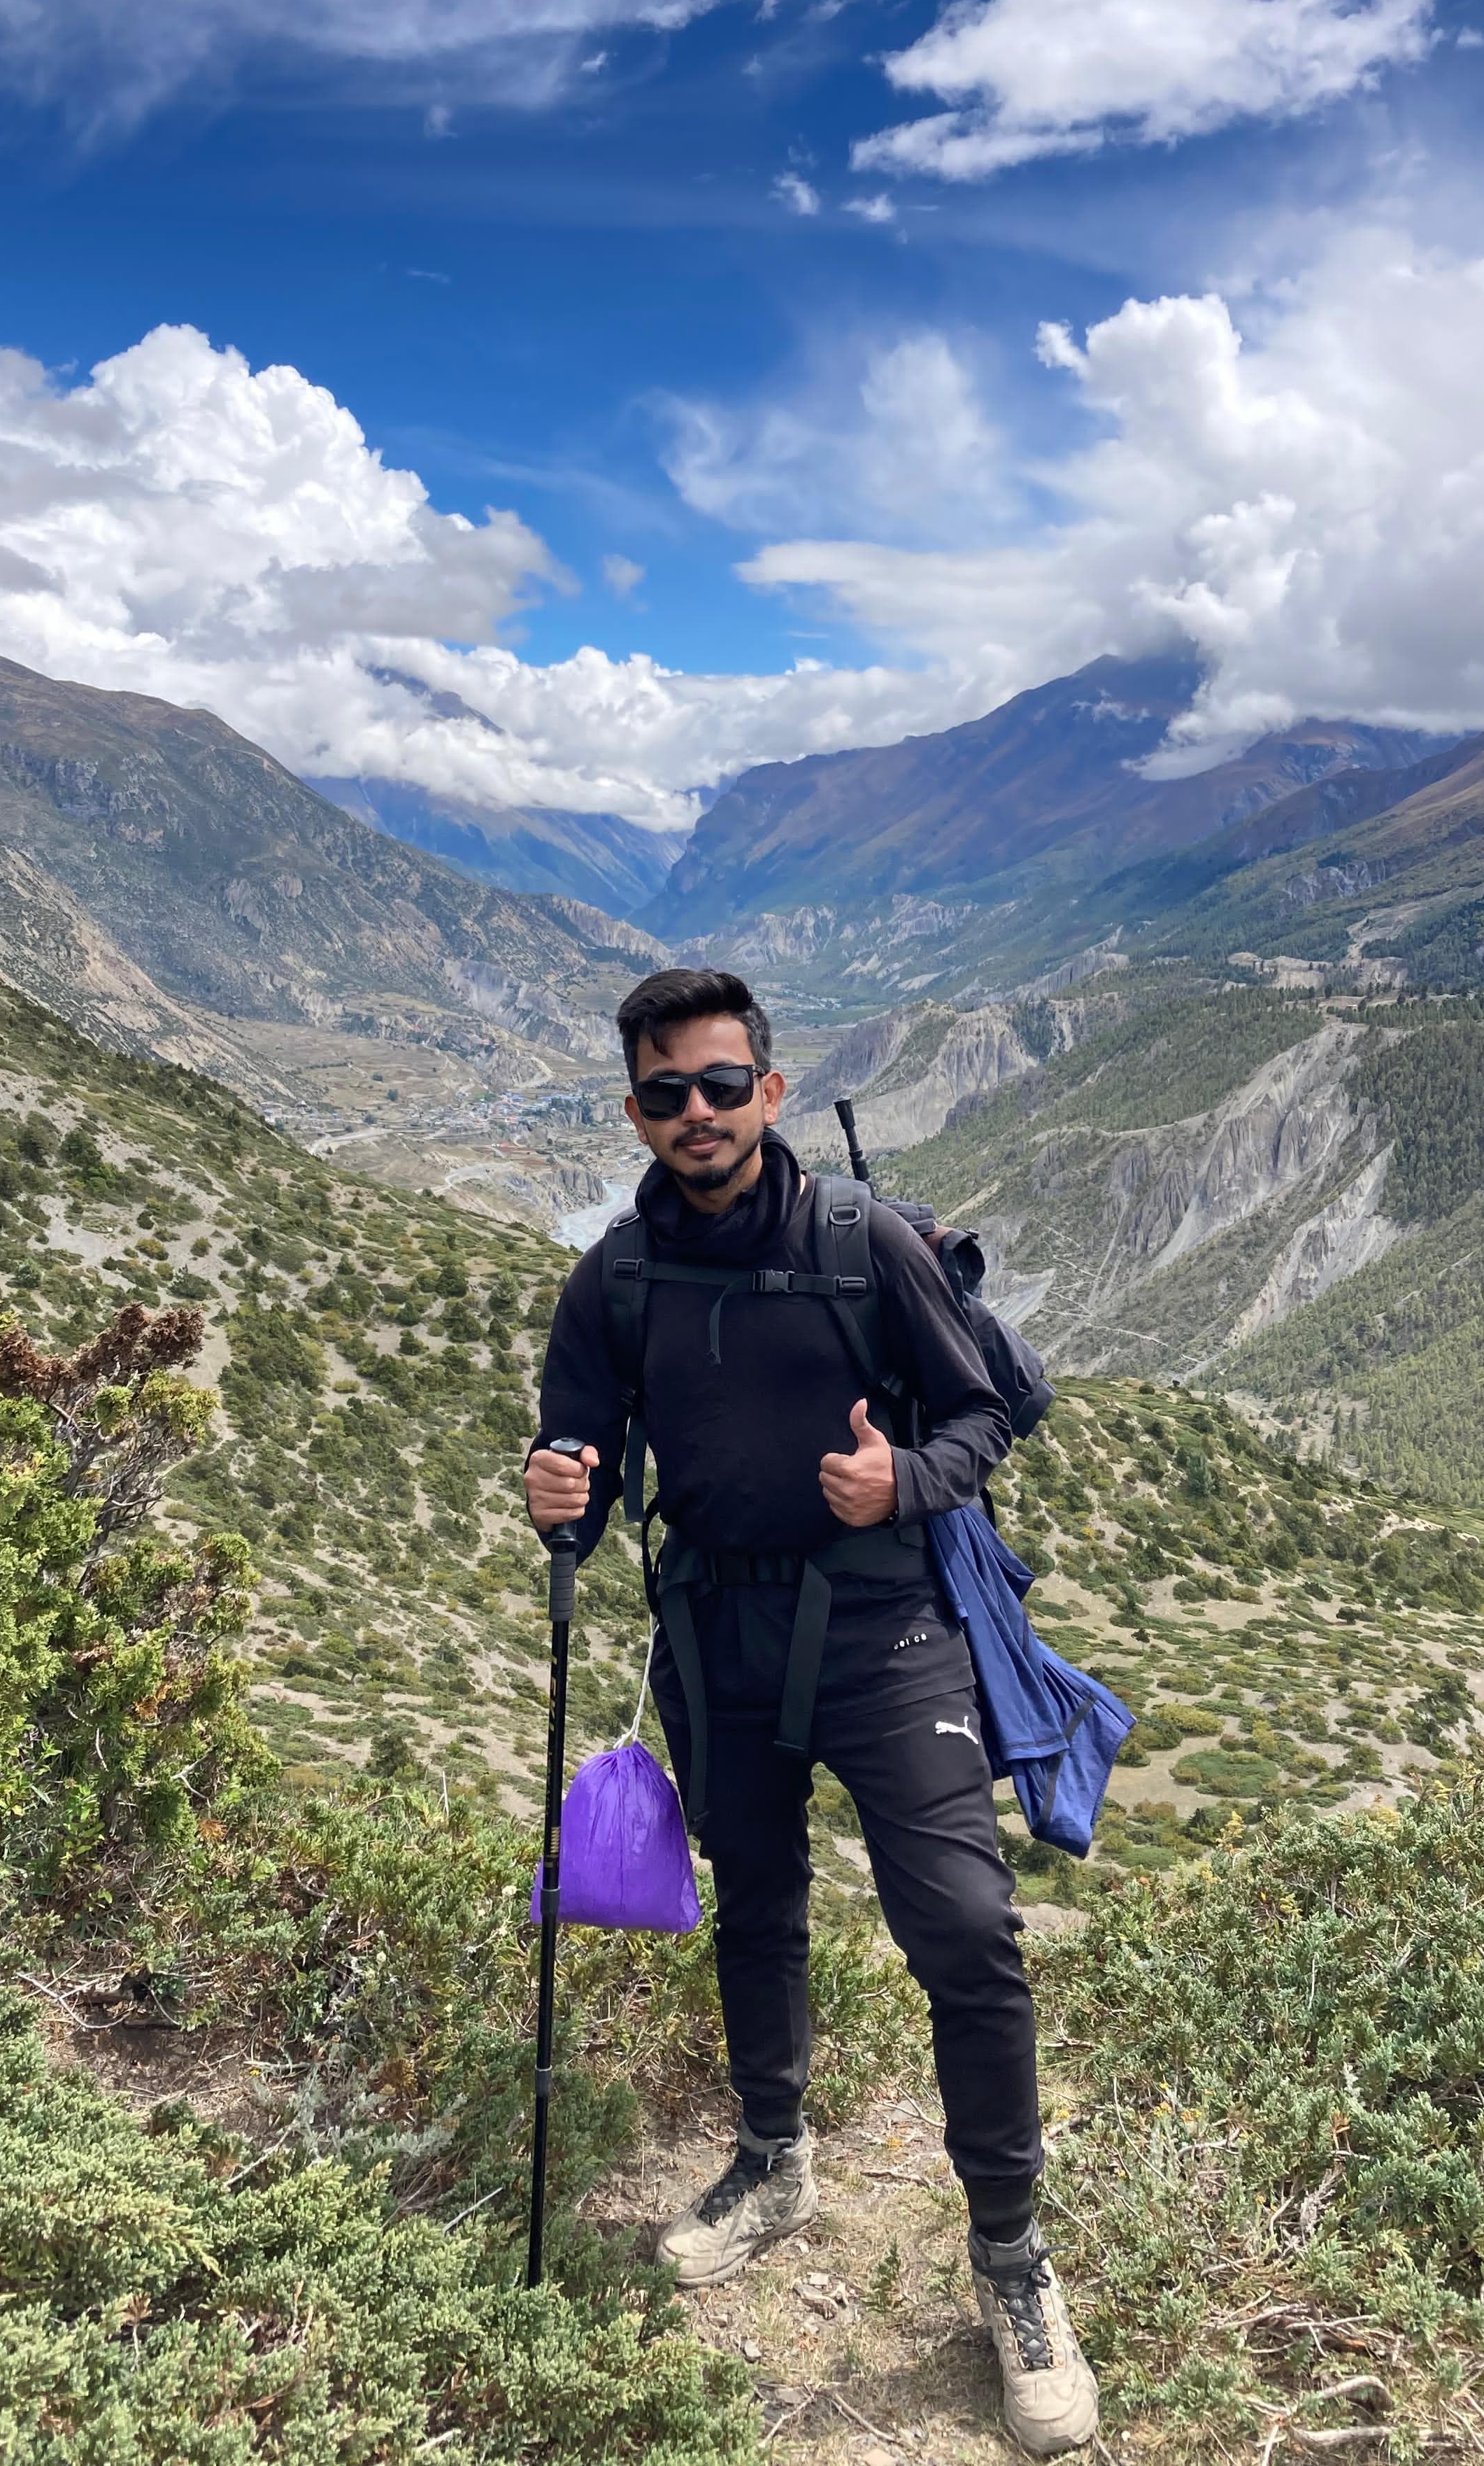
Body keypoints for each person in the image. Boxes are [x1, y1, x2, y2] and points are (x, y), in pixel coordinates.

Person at [527, 966, 1099, 2458]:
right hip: (719, 1629)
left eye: (723, 1085)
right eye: (667, 1093)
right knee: (759, 1909)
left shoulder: (867, 1243)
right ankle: (773, 2161)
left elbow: (986, 1412)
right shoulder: (615, 1281)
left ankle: (1013, 2261)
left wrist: (898, 1481)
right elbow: (575, 1452)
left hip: (884, 1625)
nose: (698, 1114)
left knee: (966, 1930)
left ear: (770, 1094)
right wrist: (559, 1497)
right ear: (637, 1109)